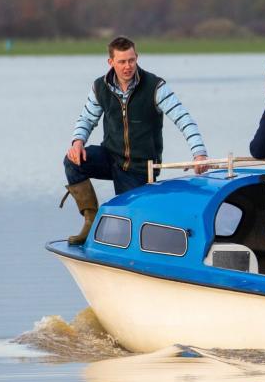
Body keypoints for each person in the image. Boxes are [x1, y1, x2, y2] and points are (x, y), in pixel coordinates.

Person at [61, 36, 210, 245]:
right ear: (111, 62)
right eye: (122, 62)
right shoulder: (100, 87)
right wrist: (77, 141)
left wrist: (199, 153)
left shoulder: (155, 86)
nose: (128, 67)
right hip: (110, 156)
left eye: (131, 60)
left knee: (131, 226)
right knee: (72, 162)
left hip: (140, 168)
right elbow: (86, 118)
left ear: (137, 57)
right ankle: (91, 221)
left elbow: (184, 119)